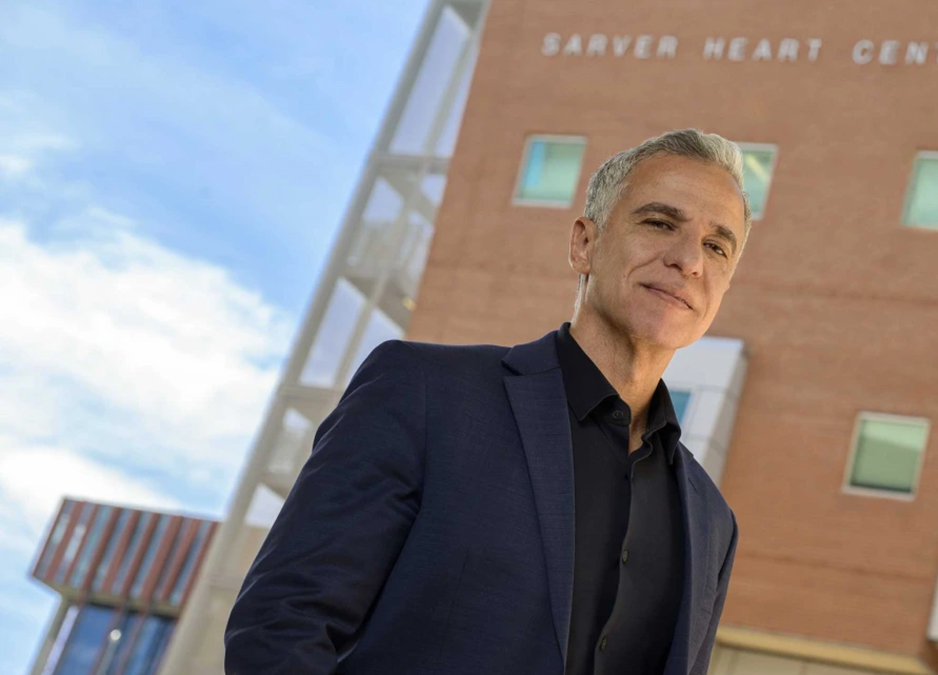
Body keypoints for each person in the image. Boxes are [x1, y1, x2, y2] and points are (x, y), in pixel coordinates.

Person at [224, 128, 749, 675]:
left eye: (717, 246)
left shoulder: (712, 521)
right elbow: (282, 627)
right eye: (660, 223)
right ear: (584, 244)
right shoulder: (423, 393)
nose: (689, 260)